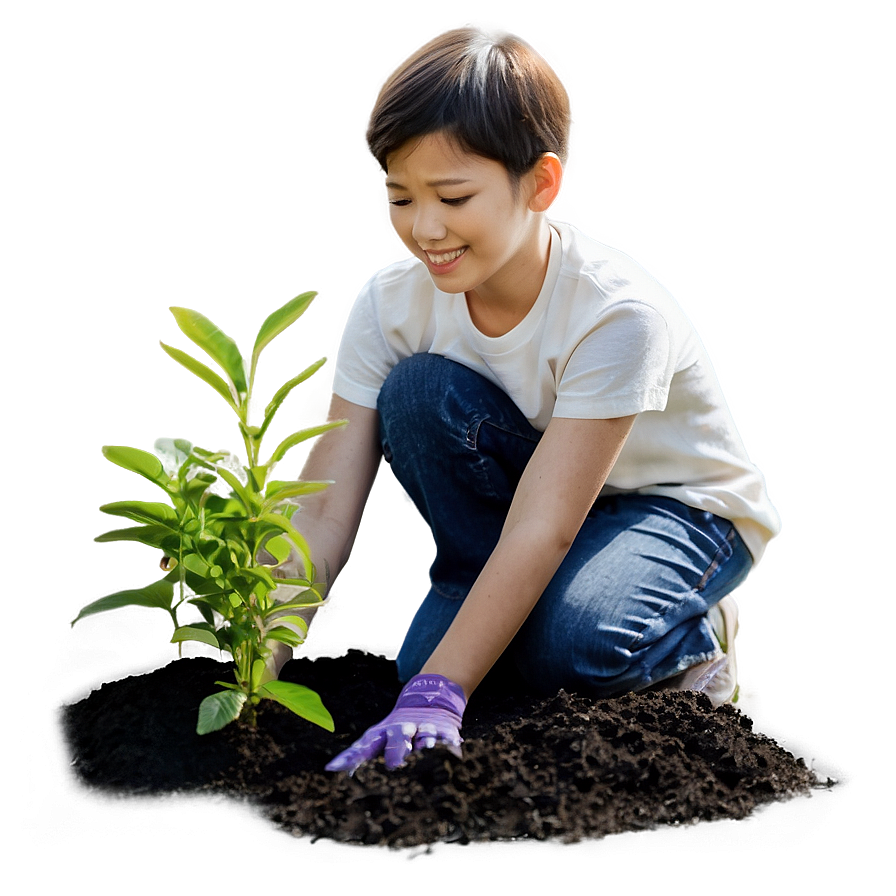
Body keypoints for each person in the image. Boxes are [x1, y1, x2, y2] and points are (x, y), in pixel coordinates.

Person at [275, 26, 780, 775]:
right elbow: (322, 511)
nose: (424, 228)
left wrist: (442, 692)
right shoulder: (390, 307)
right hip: (536, 505)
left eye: (453, 196)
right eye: (401, 196)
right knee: (416, 396)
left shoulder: (616, 314)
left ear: (540, 183)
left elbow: (543, 527)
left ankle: (692, 634)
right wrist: (259, 644)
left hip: (677, 507)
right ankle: (527, 616)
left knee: (576, 645)